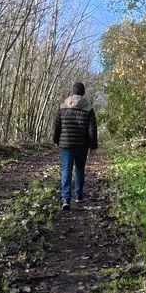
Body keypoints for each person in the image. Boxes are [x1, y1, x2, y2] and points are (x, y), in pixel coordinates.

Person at [53, 82, 98, 210]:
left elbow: (57, 126)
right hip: (82, 145)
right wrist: (93, 145)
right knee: (79, 169)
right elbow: (92, 129)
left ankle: (66, 198)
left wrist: (56, 140)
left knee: (66, 169)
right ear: (83, 93)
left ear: (72, 92)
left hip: (65, 143)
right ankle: (78, 195)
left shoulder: (62, 107)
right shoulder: (88, 109)